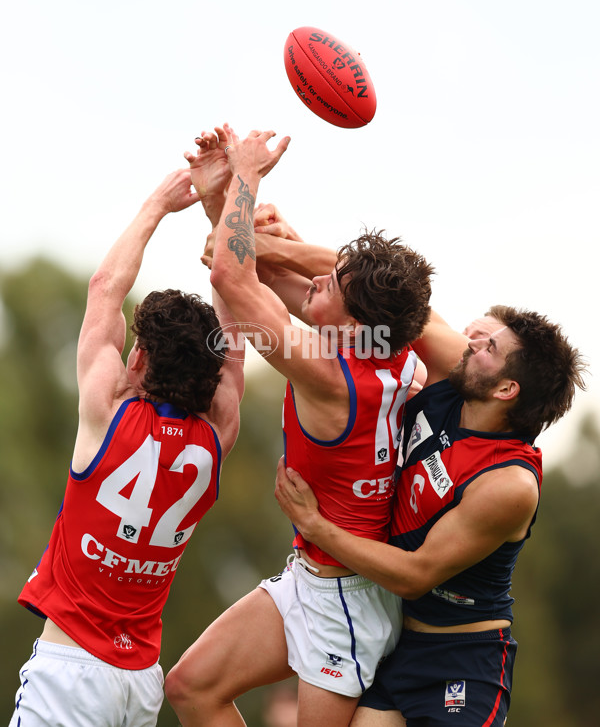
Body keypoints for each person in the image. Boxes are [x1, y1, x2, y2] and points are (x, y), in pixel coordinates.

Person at [165, 125, 434, 727]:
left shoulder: (329, 374)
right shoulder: (386, 346)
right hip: (312, 575)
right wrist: (221, 191)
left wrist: (250, 176)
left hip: (345, 598)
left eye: (333, 283)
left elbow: (233, 279)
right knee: (190, 686)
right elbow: (244, 266)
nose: (318, 279)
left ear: (353, 319)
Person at [275, 302, 587, 726]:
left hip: (463, 662)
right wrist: (274, 245)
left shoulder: (509, 483)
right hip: (402, 646)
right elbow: (379, 300)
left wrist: (315, 526)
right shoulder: (455, 376)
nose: (473, 342)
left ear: (506, 390)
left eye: (490, 347)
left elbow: (414, 574)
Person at [10, 168, 245, 727]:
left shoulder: (106, 415)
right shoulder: (218, 435)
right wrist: (224, 211)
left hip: (68, 672)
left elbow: (103, 289)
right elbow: (235, 326)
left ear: (136, 359)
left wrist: (160, 204)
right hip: (140, 682)